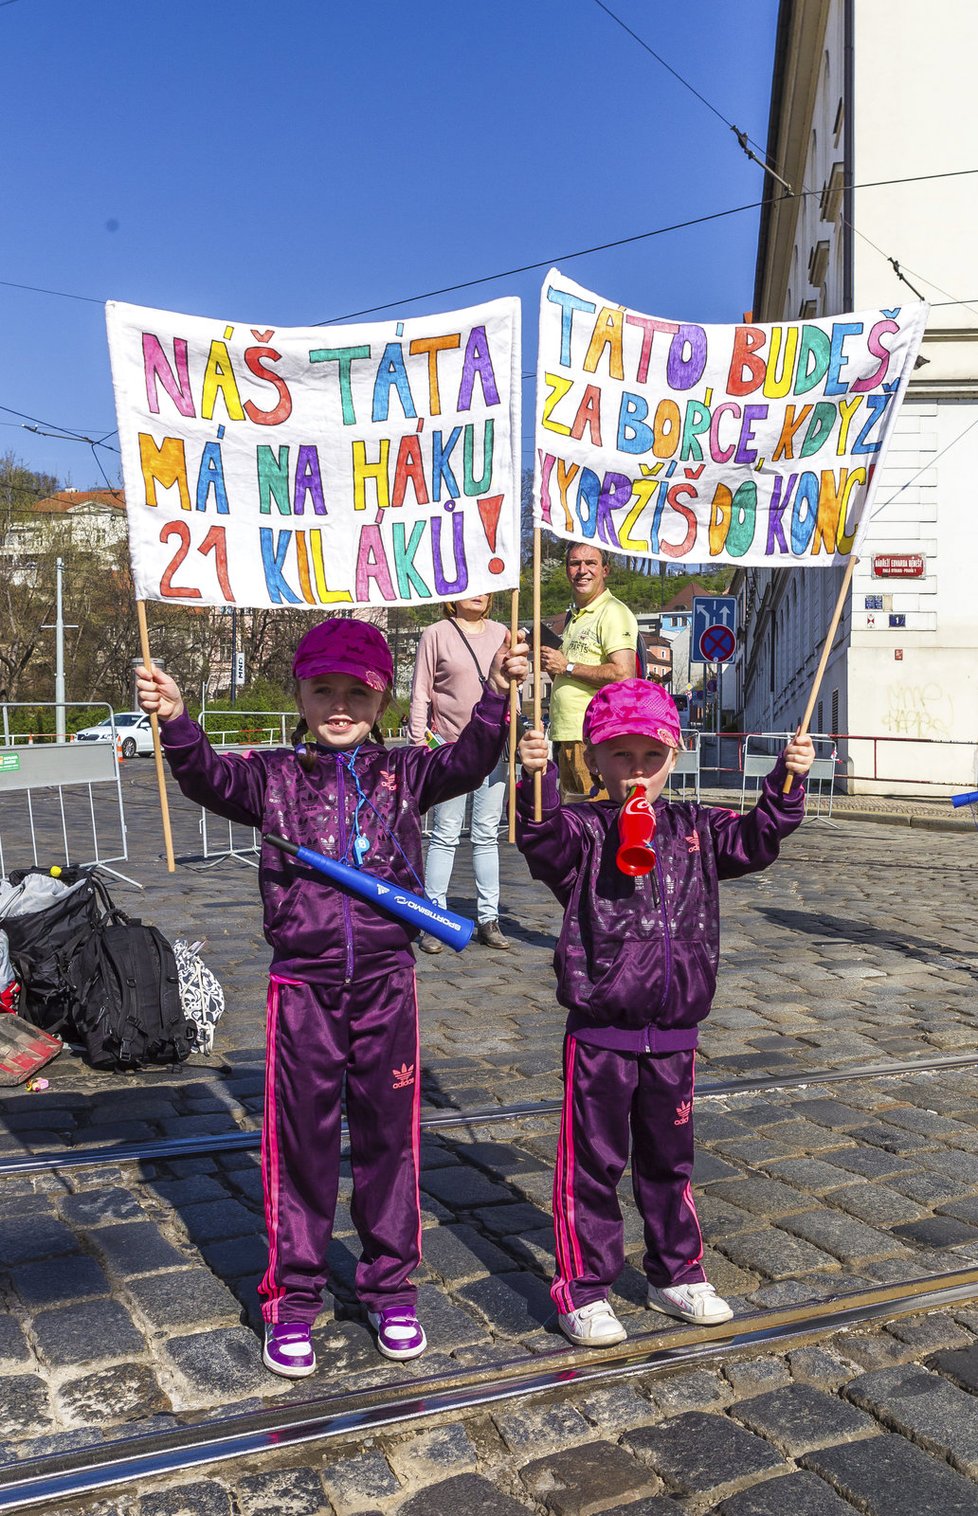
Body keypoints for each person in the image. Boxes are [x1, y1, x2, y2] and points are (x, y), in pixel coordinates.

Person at [136, 617, 527, 1379]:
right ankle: (294, 1299)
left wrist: (499, 699)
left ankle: (390, 1289)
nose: (340, 706)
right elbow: (207, 778)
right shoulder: (272, 777)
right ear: (301, 696)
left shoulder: (408, 775)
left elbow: (475, 756)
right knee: (302, 1150)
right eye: (324, 691)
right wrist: (179, 720)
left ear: (382, 700)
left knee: (390, 1142)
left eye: (358, 692)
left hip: (388, 986)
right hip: (302, 993)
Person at [516, 679, 814, 1348]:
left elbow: (758, 841)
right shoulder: (585, 828)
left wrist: (786, 785)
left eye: (651, 756)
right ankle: (585, 1288)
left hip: (675, 1030)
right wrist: (534, 782)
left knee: (669, 1160)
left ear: (674, 754)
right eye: (620, 756)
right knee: (592, 1164)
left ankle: (675, 1272)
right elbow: (541, 839)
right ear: (594, 758)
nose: (638, 771)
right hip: (602, 1031)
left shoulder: (698, 826)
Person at [409, 595, 510, 953]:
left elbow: (513, 690)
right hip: (448, 748)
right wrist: (419, 742)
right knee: (445, 834)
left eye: (486, 588)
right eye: (472, 586)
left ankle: (488, 917)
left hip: (493, 748)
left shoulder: (503, 633)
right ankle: (434, 917)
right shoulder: (436, 633)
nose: (479, 594)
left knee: (486, 834)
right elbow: (421, 690)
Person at [539, 545, 639, 799]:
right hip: (568, 735)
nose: (582, 571)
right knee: (575, 821)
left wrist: (567, 666)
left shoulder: (613, 612)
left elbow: (624, 674)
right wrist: (554, 668)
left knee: (595, 820)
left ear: (605, 570)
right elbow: (573, 675)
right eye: (575, 564)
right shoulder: (574, 616)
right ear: (566, 571)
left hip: (593, 737)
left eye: (590, 563)